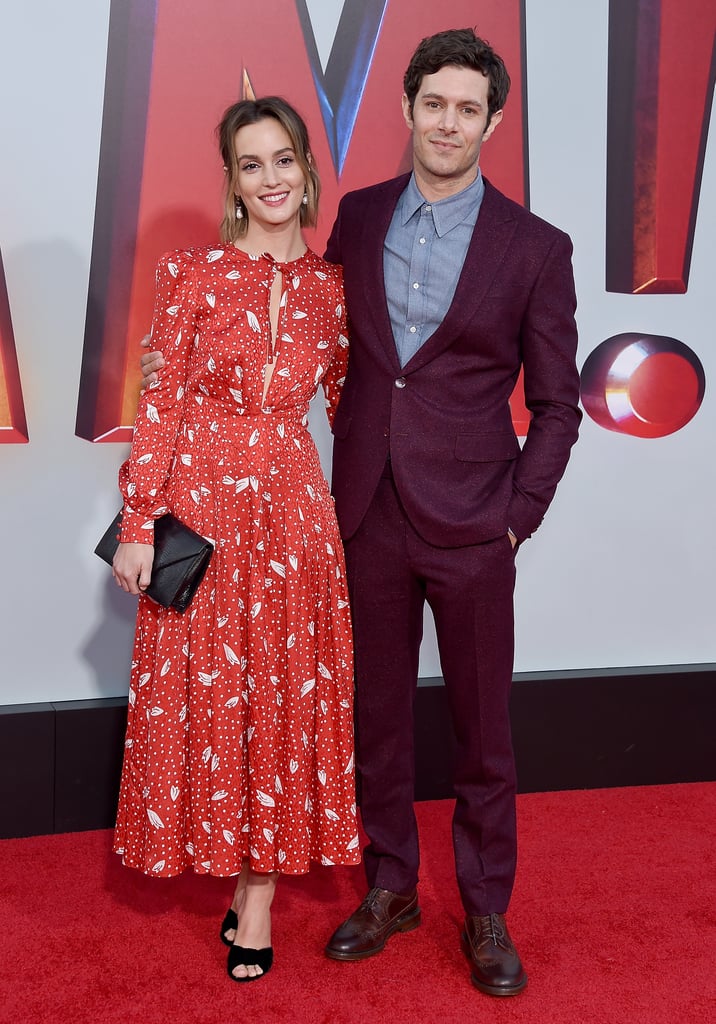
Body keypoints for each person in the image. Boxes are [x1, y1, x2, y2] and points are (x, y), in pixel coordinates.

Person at [141, 28, 581, 996]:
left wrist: (518, 514)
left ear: (491, 121)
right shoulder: (357, 221)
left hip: (474, 523)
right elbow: (326, 362)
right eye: (434, 103)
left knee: (481, 730)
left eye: (469, 108)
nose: (448, 121)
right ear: (407, 109)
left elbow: (556, 404)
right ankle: (389, 885)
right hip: (362, 517)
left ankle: (485, 906)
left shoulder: (536, 249)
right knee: (373, 719)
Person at [112, 96, 359, 984]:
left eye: (283, 159)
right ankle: (228, 865)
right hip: (201, 517)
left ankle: (256, 901)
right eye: (251, 165)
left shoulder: (334, 289)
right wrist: (140, 522)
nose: (271, 180)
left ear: (305, 166)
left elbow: (351, 410)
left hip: (295, 523)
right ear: (233, 180)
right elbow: (163, 403)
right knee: (214, 705)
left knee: (282, 703)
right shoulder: (192, 274)